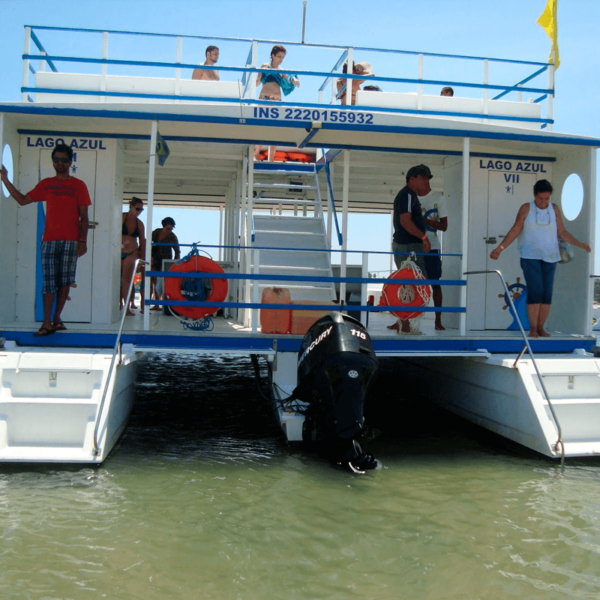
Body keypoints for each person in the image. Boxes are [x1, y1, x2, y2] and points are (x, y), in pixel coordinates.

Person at [1, 144, 91, 336]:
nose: (60, 163)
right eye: (56, 160)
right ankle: (47, 322)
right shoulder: (47, 184)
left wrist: (83, 241)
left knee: (65, 281)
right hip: (49, 240)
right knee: (49, 282)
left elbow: (84, 215)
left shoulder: (79, 185)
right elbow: (23, 199)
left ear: (70, 161)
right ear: (52, 162)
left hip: (71, 241)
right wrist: (4, 179)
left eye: (64, 160)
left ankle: (57, 319)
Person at [490, 179, 591, 338]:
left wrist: (579, 244)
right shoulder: (526, 208)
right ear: (534, 195)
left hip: (551, 256)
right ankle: (533, 329)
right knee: (536, 291)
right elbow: (516, 229)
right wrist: (500, 248)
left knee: (546, 293)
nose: (543, 202)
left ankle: (541, 327)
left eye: (546, 198)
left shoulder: (554, 209)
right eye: (540, 198)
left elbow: (562, 232)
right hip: (530, 256)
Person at [390, 164, 433, 334]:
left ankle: (402, 320)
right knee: (414, 283)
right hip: (408, 246)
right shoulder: (407, 195)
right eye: (423, 178)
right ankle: (405, 322)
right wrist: (423, 237)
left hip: (407, 246)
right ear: (412, 178)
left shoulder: (410, 196)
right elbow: (405, 221)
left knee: (407, 282)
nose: (425, 182)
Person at [254, 45, 300, 161]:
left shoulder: (281, 71)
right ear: (273, 56)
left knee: (275, 130)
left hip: (276, 100)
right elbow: (256, 83)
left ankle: (271, 158)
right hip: (265, 98)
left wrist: (294, 80)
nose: (280, 59)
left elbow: (289, 78)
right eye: (278, 56)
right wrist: (262, 73)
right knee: (262, 127)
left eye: (282, 57)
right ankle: (256, 152)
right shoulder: (265, 66)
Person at [419, 180, 448, 330]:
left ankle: (438, 321)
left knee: (435, 284)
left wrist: (424, 221)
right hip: (413, 246)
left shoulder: (438, 198)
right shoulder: (410, 197)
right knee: (408, 283)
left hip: (433, 248)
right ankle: (403, 320)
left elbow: (444, 226)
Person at [121, 197, 146, 316]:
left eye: (141, 209)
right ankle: (120, 304)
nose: (139, 211)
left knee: (127, 280)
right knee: (117, 280)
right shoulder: (122, 218)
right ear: (130, 205)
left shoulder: (140, 224)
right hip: (118, 251)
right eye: (137, 208)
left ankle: (127, 308)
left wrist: (143, 259)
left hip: (132, 251)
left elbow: (143, 241)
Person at [150, 217, 181, 310]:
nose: (169, 231)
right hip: (154, 259)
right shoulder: (155, 233)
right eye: (168, 229)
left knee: (163, 282)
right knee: (153, 281)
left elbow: (177, 250)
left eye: (171, 229)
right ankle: (156, 304)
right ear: (163, 227)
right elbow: (147, 244)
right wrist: (149, 256)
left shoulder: (172, 236)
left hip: (166, 261)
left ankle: (163, 303)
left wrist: (175, 263)